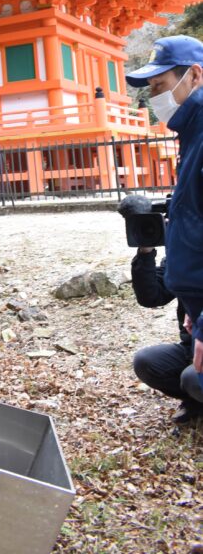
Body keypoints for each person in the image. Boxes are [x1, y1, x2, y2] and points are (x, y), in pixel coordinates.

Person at [126, 34, 203, 415]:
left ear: (195, 75)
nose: (153, 96)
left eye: (159, 84)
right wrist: (144, 243)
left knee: (194, 379)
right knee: (151, 363)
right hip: (195, 312)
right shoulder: (190, 136)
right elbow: (152, 295)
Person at [131, 245, 203, 424]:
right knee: (147, 362)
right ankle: (197, 402)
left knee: (193, 378)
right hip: (192, 348)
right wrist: (145, 253)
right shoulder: (183, 253)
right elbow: (151, 296)